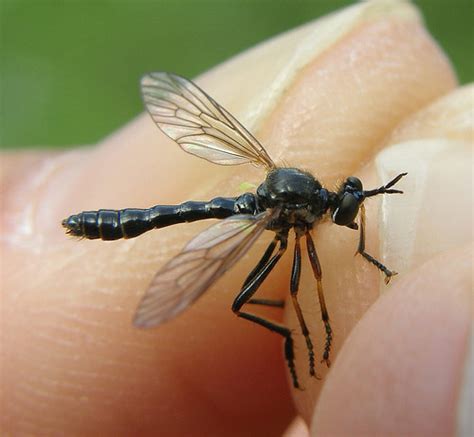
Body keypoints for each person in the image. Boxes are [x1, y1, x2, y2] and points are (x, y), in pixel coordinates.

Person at [2, 1, 471, 435]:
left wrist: (364, 253)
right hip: (246, 212)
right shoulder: (301, 217)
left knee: (271, 290)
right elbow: (307, 285)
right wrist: (310, 331)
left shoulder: (304, 202)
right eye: (350, 205)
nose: (350, 208)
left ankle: (307, 335)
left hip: (259, 207)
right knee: (280, 288)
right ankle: (307, 336)